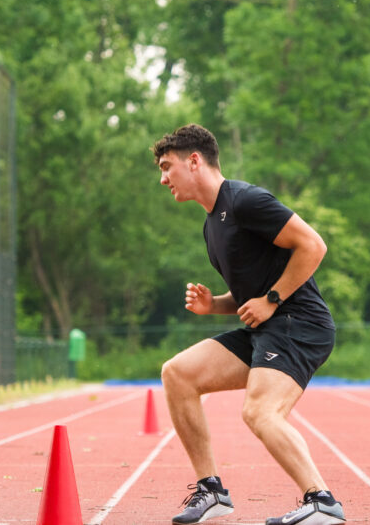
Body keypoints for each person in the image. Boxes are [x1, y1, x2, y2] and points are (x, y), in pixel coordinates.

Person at [152, 124, 346, 525]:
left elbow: (313, 245)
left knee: (260, 411)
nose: (163, 177)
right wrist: (214, 306)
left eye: (167, 166)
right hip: (268, 326)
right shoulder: (212, 225)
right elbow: (249, 300)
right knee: (178, 374)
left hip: (300, 323)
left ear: (194, 161)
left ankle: (322, 501)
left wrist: (273, 300)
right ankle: (212, 492)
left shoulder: (245, 201)